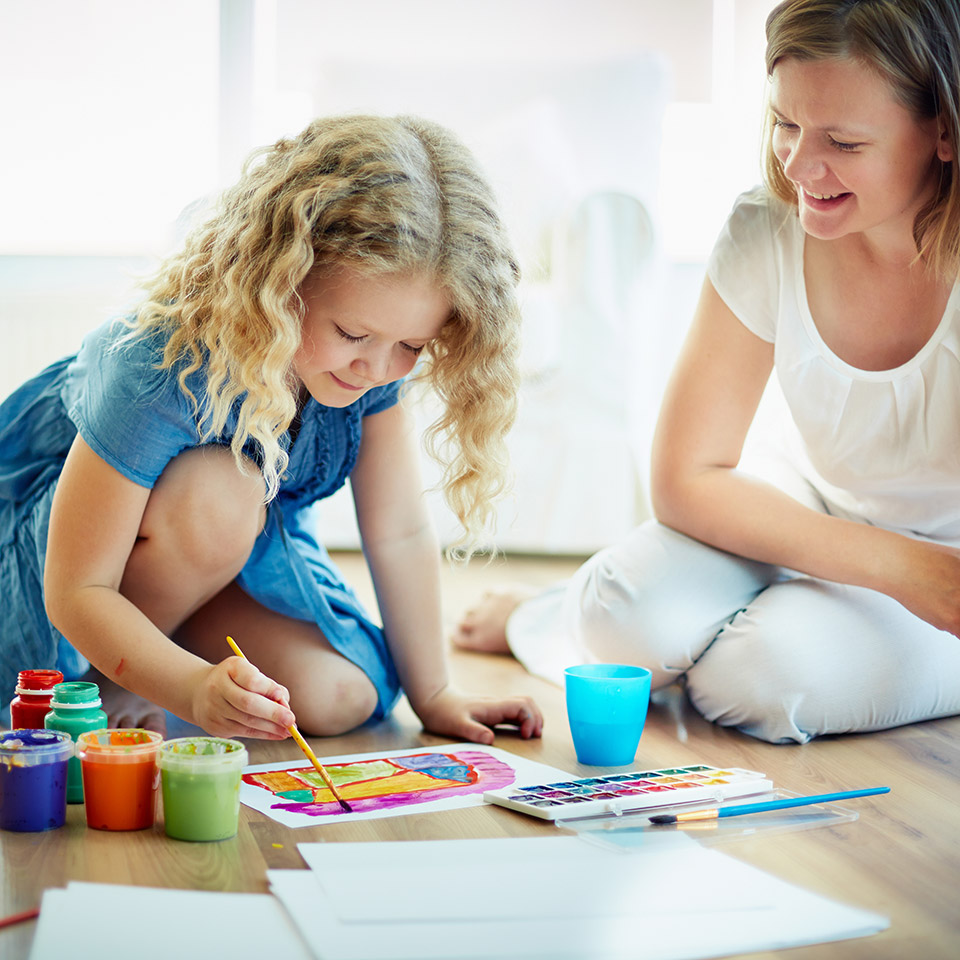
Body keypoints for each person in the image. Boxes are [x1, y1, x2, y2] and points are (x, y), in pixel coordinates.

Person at [455, 0, 960, 744]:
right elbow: (686, 478)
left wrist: (928, 578)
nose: (799, 165)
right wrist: (895, 567)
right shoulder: (767, 229)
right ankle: (552, 613)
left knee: (764, 683)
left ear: (944, 131)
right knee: (619, 615)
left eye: (844, 143)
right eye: (787, 125)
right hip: (815, 510)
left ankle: (781, 619)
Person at [0, 114, 543, 744]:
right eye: (353, 335)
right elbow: (76, 589)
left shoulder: (371, 363)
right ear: (282, 281)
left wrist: (437, 695)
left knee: (341, 697)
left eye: (411, 345)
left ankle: (156, 652)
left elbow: (397, 531)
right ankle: (109, 676)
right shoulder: (157, 364)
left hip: (216, 566)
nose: (378, 368)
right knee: (223, 495)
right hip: (67, 581)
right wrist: (189, 689)